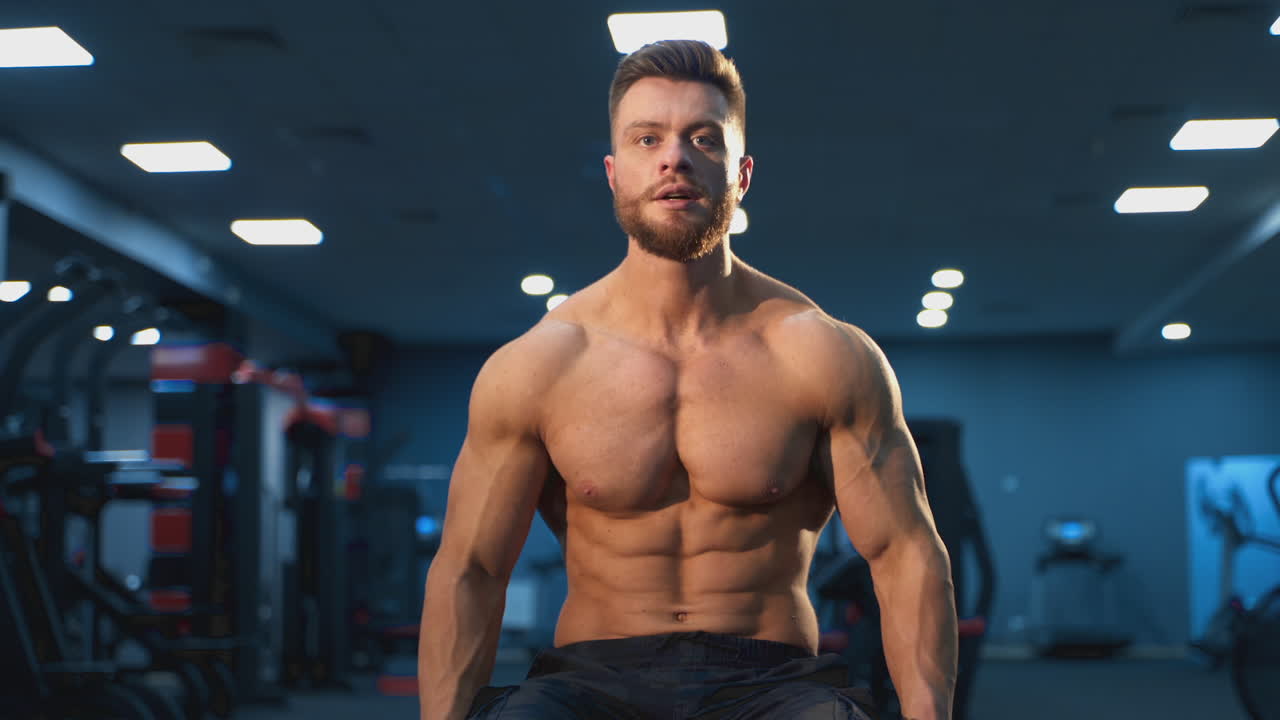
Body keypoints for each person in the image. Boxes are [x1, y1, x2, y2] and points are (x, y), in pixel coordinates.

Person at [418, 39, 957, 720]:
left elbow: (906, 555)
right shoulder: (539, 365)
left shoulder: (822, 355)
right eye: (648, 139)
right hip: (590, 680)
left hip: (772, 681)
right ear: (613, 173)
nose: (674, 157)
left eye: (703, 138)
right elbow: (471, 570)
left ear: (743, 174)